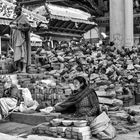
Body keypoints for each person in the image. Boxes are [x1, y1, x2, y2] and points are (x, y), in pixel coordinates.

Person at [10, 4, 31, 73]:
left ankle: (24, 68)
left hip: (22, 39)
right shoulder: (15, 19)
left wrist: (19, 28)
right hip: (16, 39)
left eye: (18, 10)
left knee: (23, 54)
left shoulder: (24, 17)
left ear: (20, 10)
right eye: (15, 10)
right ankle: (19, 68)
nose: (16, 11)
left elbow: (28, 27)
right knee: (17, 54)